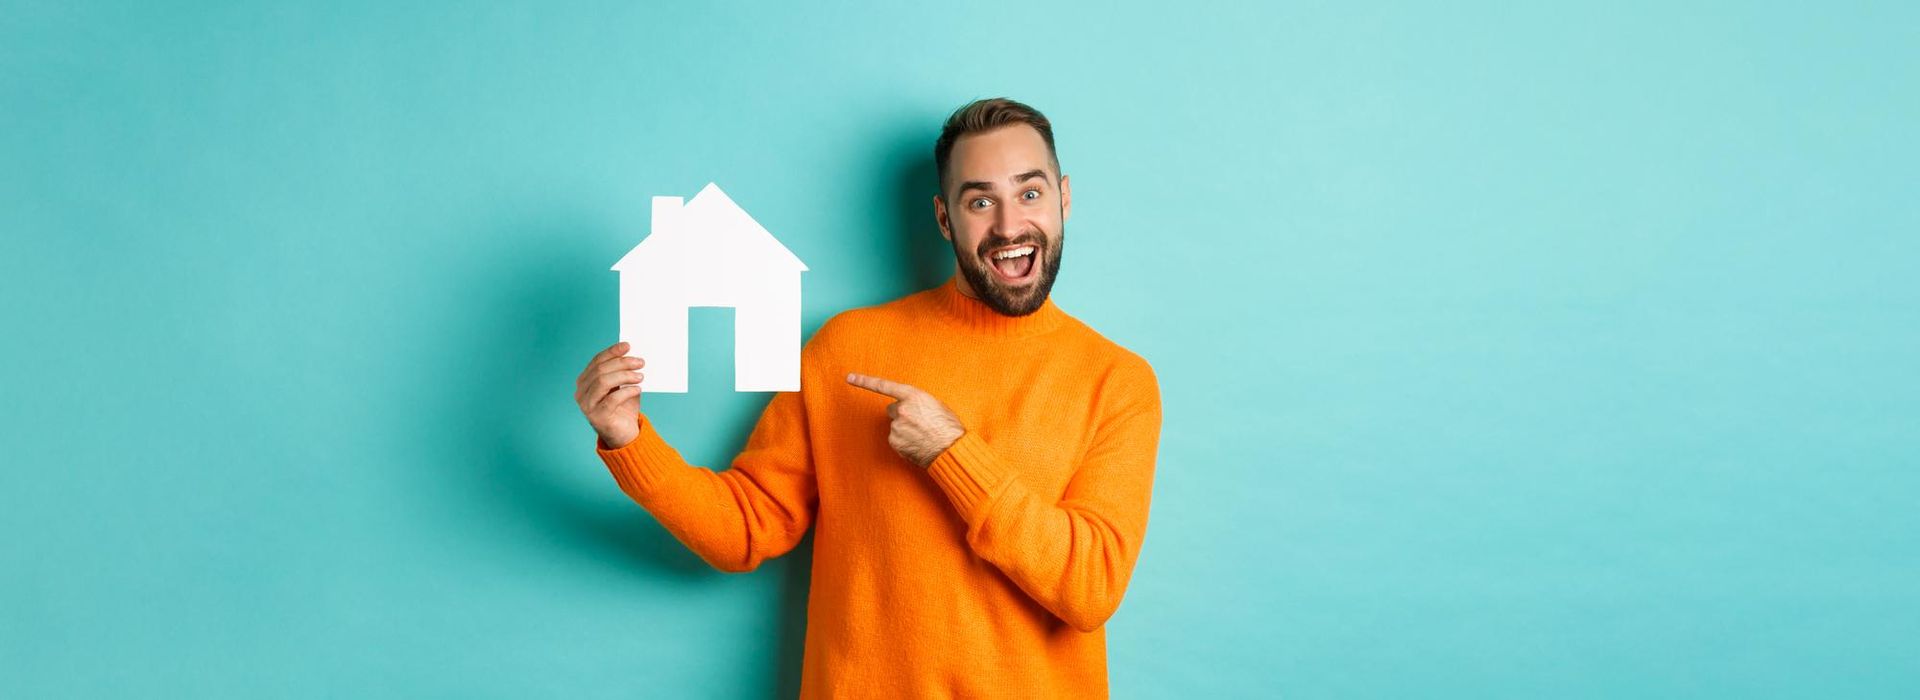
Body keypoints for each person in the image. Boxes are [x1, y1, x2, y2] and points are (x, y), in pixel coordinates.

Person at [574, 97, 1162, 698]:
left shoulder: (1116, 381)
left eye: (1029, 193)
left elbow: (1090, 587)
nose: (1009, 226)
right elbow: (748, 526)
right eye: (980, 201)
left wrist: (952, 454)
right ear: (943, 218)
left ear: (1064, 197)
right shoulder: (847, 347)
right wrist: (629, 441)